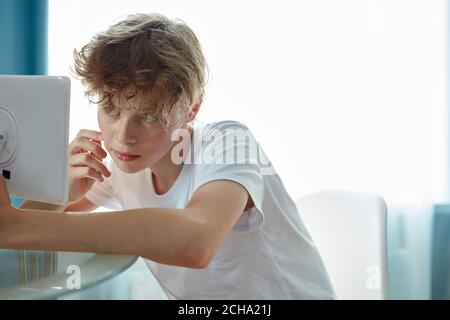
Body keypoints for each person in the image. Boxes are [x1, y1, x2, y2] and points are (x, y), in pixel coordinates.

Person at [0, 13, 335, 299]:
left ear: (193, 109)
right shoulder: (119, 165)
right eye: (109, 109)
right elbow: (37, 238)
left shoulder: (227, 141)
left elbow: (195, 240)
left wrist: (16, 225)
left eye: (148, 116)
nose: (122, 136)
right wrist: (61, 191)